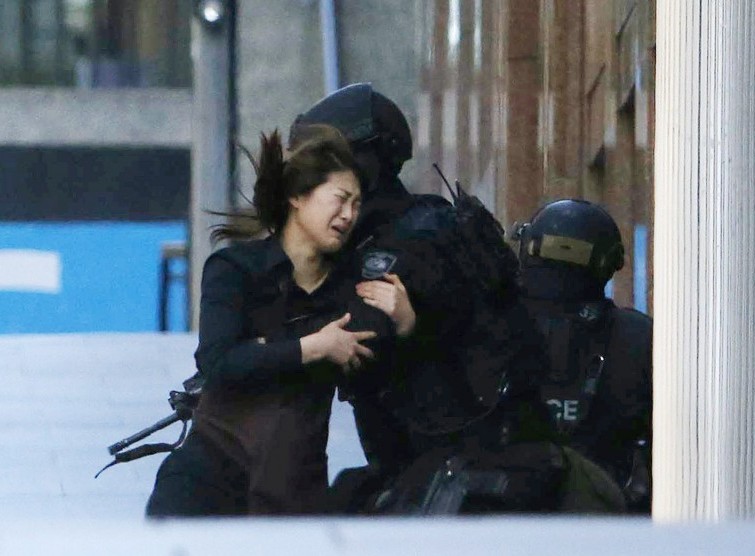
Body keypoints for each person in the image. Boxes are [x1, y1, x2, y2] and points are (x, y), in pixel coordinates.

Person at [290, 84, 625, 515]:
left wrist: (266, 351)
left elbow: (359, 329)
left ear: (363, 164)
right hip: (458, 463)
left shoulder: (404, 246)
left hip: (474, 472)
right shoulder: (412, 226)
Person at [145, 124, 413, 516]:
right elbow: (219, 364)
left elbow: (377, 372)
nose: (349, 214)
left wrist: (405, 323)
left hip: (291, 495)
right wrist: (314, 347)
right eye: (340, 199)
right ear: (298, 198)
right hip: (207, 483)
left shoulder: (351, 288)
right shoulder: (235, 268)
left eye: (357, 205)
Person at [513, 199, 653, 513]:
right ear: (607, 264)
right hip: (608, 524)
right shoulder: (637, 337)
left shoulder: (491, 328)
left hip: (497, 521)